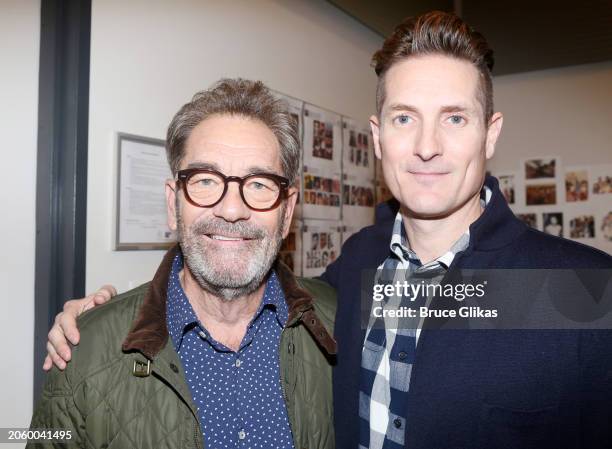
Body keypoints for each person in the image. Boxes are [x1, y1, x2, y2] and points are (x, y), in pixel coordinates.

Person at [44, 11, 612, 449]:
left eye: (455, 118)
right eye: (404, 118)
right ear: (378, 135)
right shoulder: (353, 274)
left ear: (490, 135)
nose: (428, 146)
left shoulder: (585, 293)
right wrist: (98, 323)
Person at [31, 79, 336, 449]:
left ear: (287, 212)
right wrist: (97, 326)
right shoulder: (83, 351)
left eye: (259, 184)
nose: (231, 209)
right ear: (173, 204)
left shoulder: (339, 324)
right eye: (205, 180)